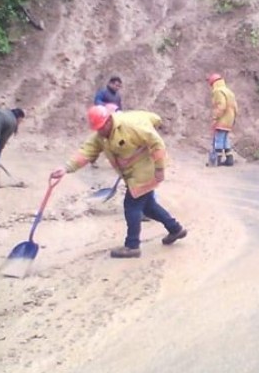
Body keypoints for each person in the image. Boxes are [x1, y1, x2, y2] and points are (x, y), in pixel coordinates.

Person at [50, 105, 186, 258]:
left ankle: (132, 246)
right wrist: (66, 168)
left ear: (109, 120)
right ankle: (175, 229)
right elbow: (86, 151)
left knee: (131, 206)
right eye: (97, 129)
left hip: (146, 170)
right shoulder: (101, 136)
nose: (100, 131)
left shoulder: (130, 126)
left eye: (102, 127)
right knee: (148, 207)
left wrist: (160, 168)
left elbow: (157, 143)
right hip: (132, 173)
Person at [207, 73, 238, 166]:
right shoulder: (229, 92)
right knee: (225, 139)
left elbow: (221, 105)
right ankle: (229, 159)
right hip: (230, 119)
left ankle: (217, 160)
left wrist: (215, 117)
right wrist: (234, 118)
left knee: (219, 139)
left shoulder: (218, 91)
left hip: (222, 119)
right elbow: (236, 107)